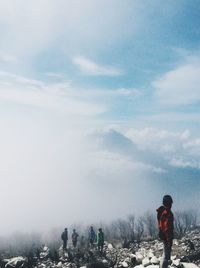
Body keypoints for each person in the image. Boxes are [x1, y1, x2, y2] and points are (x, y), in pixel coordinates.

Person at [157, 195, 174, 268]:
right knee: (166, 256)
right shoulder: (166, 213)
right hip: (166, 236)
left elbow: (162, 226)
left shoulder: (161, 211)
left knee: (166, 254)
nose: (171, 205)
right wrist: (169, 239)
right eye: (170, 203)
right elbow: (166, 227)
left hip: (165, 236)